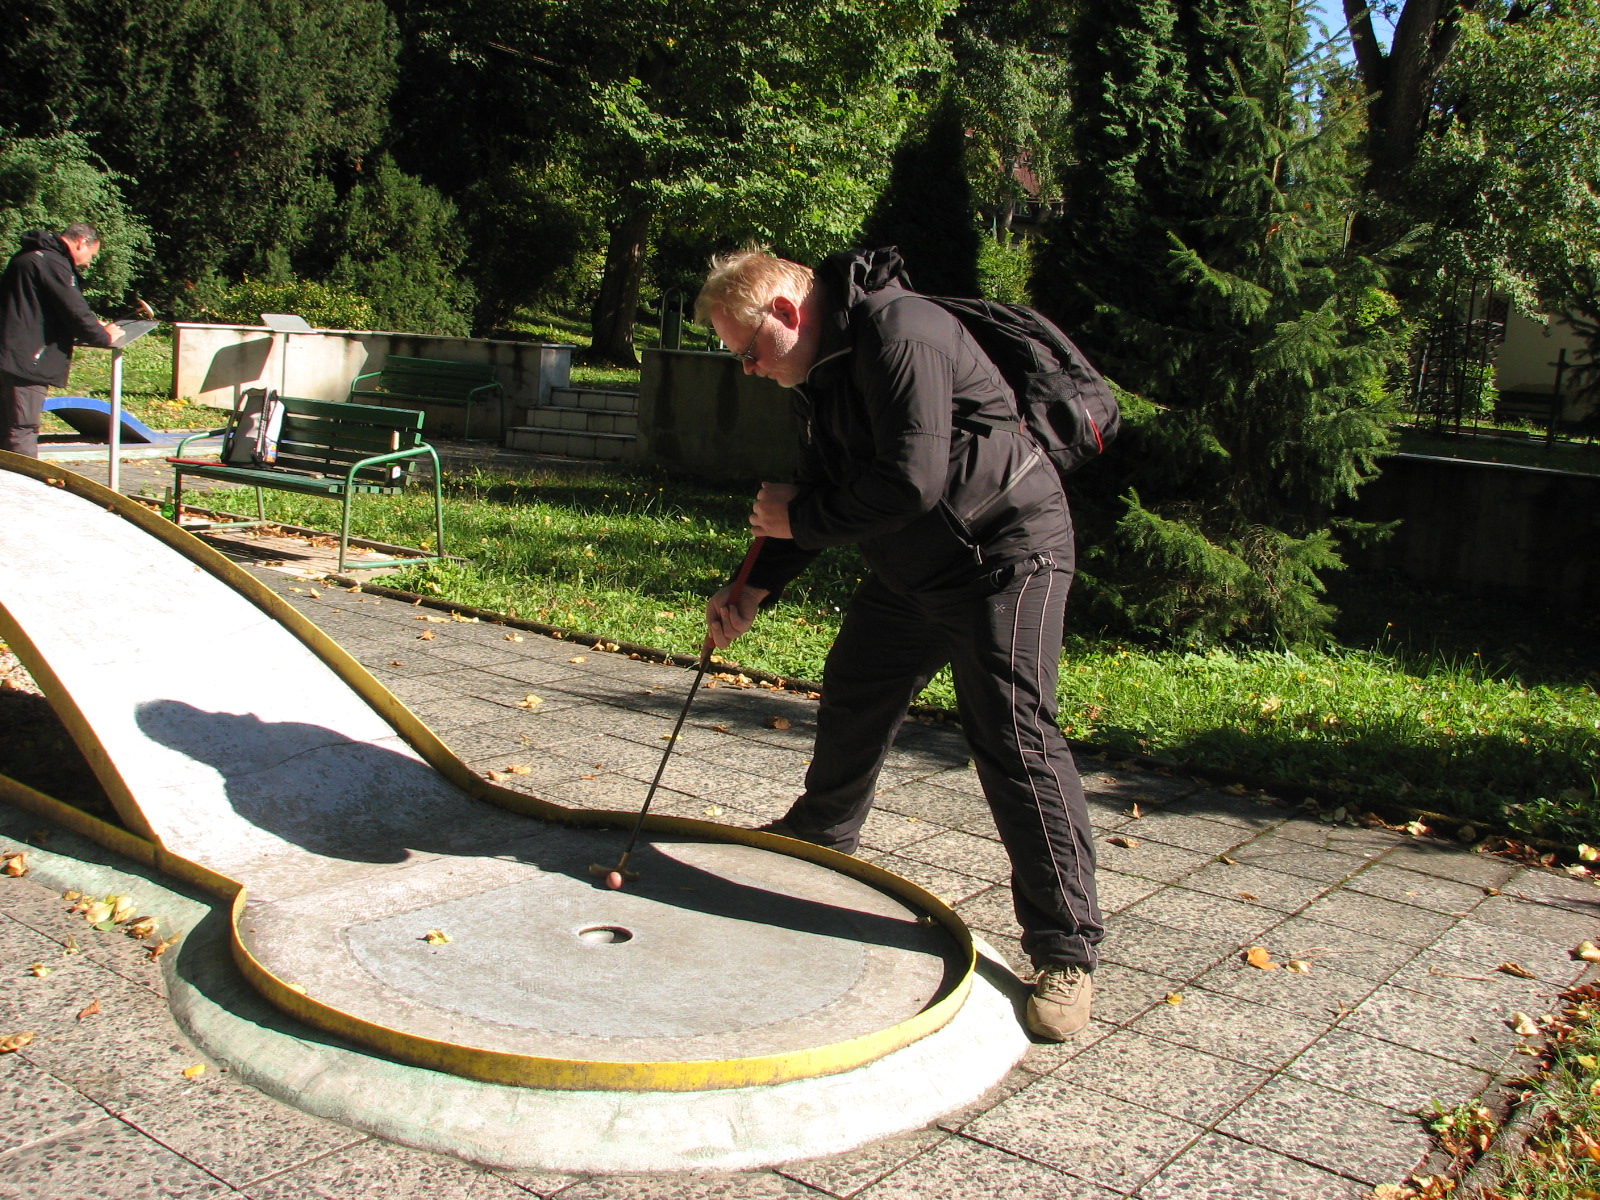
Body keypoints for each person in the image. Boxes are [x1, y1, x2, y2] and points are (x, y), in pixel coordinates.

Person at [695, 247, 1103, 1039]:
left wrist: (799, 516)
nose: (749, 370)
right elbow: (824, 486)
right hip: (918, 564)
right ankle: (821, 835)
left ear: (787, 313)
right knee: (858, 680)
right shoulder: (821, 371)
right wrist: (753, 586)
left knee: (1013, 735)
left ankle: (1066, 951)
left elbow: (912, 479)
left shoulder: (899, 332)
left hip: (1005, 554)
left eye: (749, 352)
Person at [0, 223, 123, 457]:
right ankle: (24, 480)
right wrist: (102, 335)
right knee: (22, 429)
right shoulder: (52, 262)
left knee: (7, 427)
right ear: (82, 242)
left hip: (10, 354)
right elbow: (74, 309)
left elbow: (42, 307)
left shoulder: (29, 255)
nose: (88, 263)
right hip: (25, 360)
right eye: (91, 255)